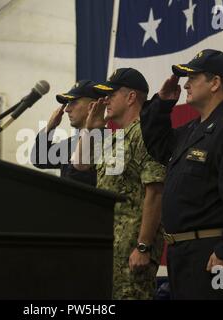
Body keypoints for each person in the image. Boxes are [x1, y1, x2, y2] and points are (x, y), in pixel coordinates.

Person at [140, 49, 223, 299]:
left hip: (211, 256)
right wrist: (162, 104)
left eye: (192, 78)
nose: (185, 84)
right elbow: (159, 146)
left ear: (215, 83)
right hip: (183, 255)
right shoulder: (195, 129)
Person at [74, 68, 166, 299]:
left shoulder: (145, 133)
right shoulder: (115, 136)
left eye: (111, 95)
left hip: (132, 250)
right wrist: (91, 129)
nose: (105, 101)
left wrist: (143, 246)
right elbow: (81, 165)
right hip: (111, 247)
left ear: (131, 97)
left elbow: (155, 193)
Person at [31, 80, 102, 186]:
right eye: (68, 104)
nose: (67, 109)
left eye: (73, 102)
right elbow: (39, 159)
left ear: (91, 106)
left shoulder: (108, 143)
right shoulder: (72, 143)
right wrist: (50, 127)